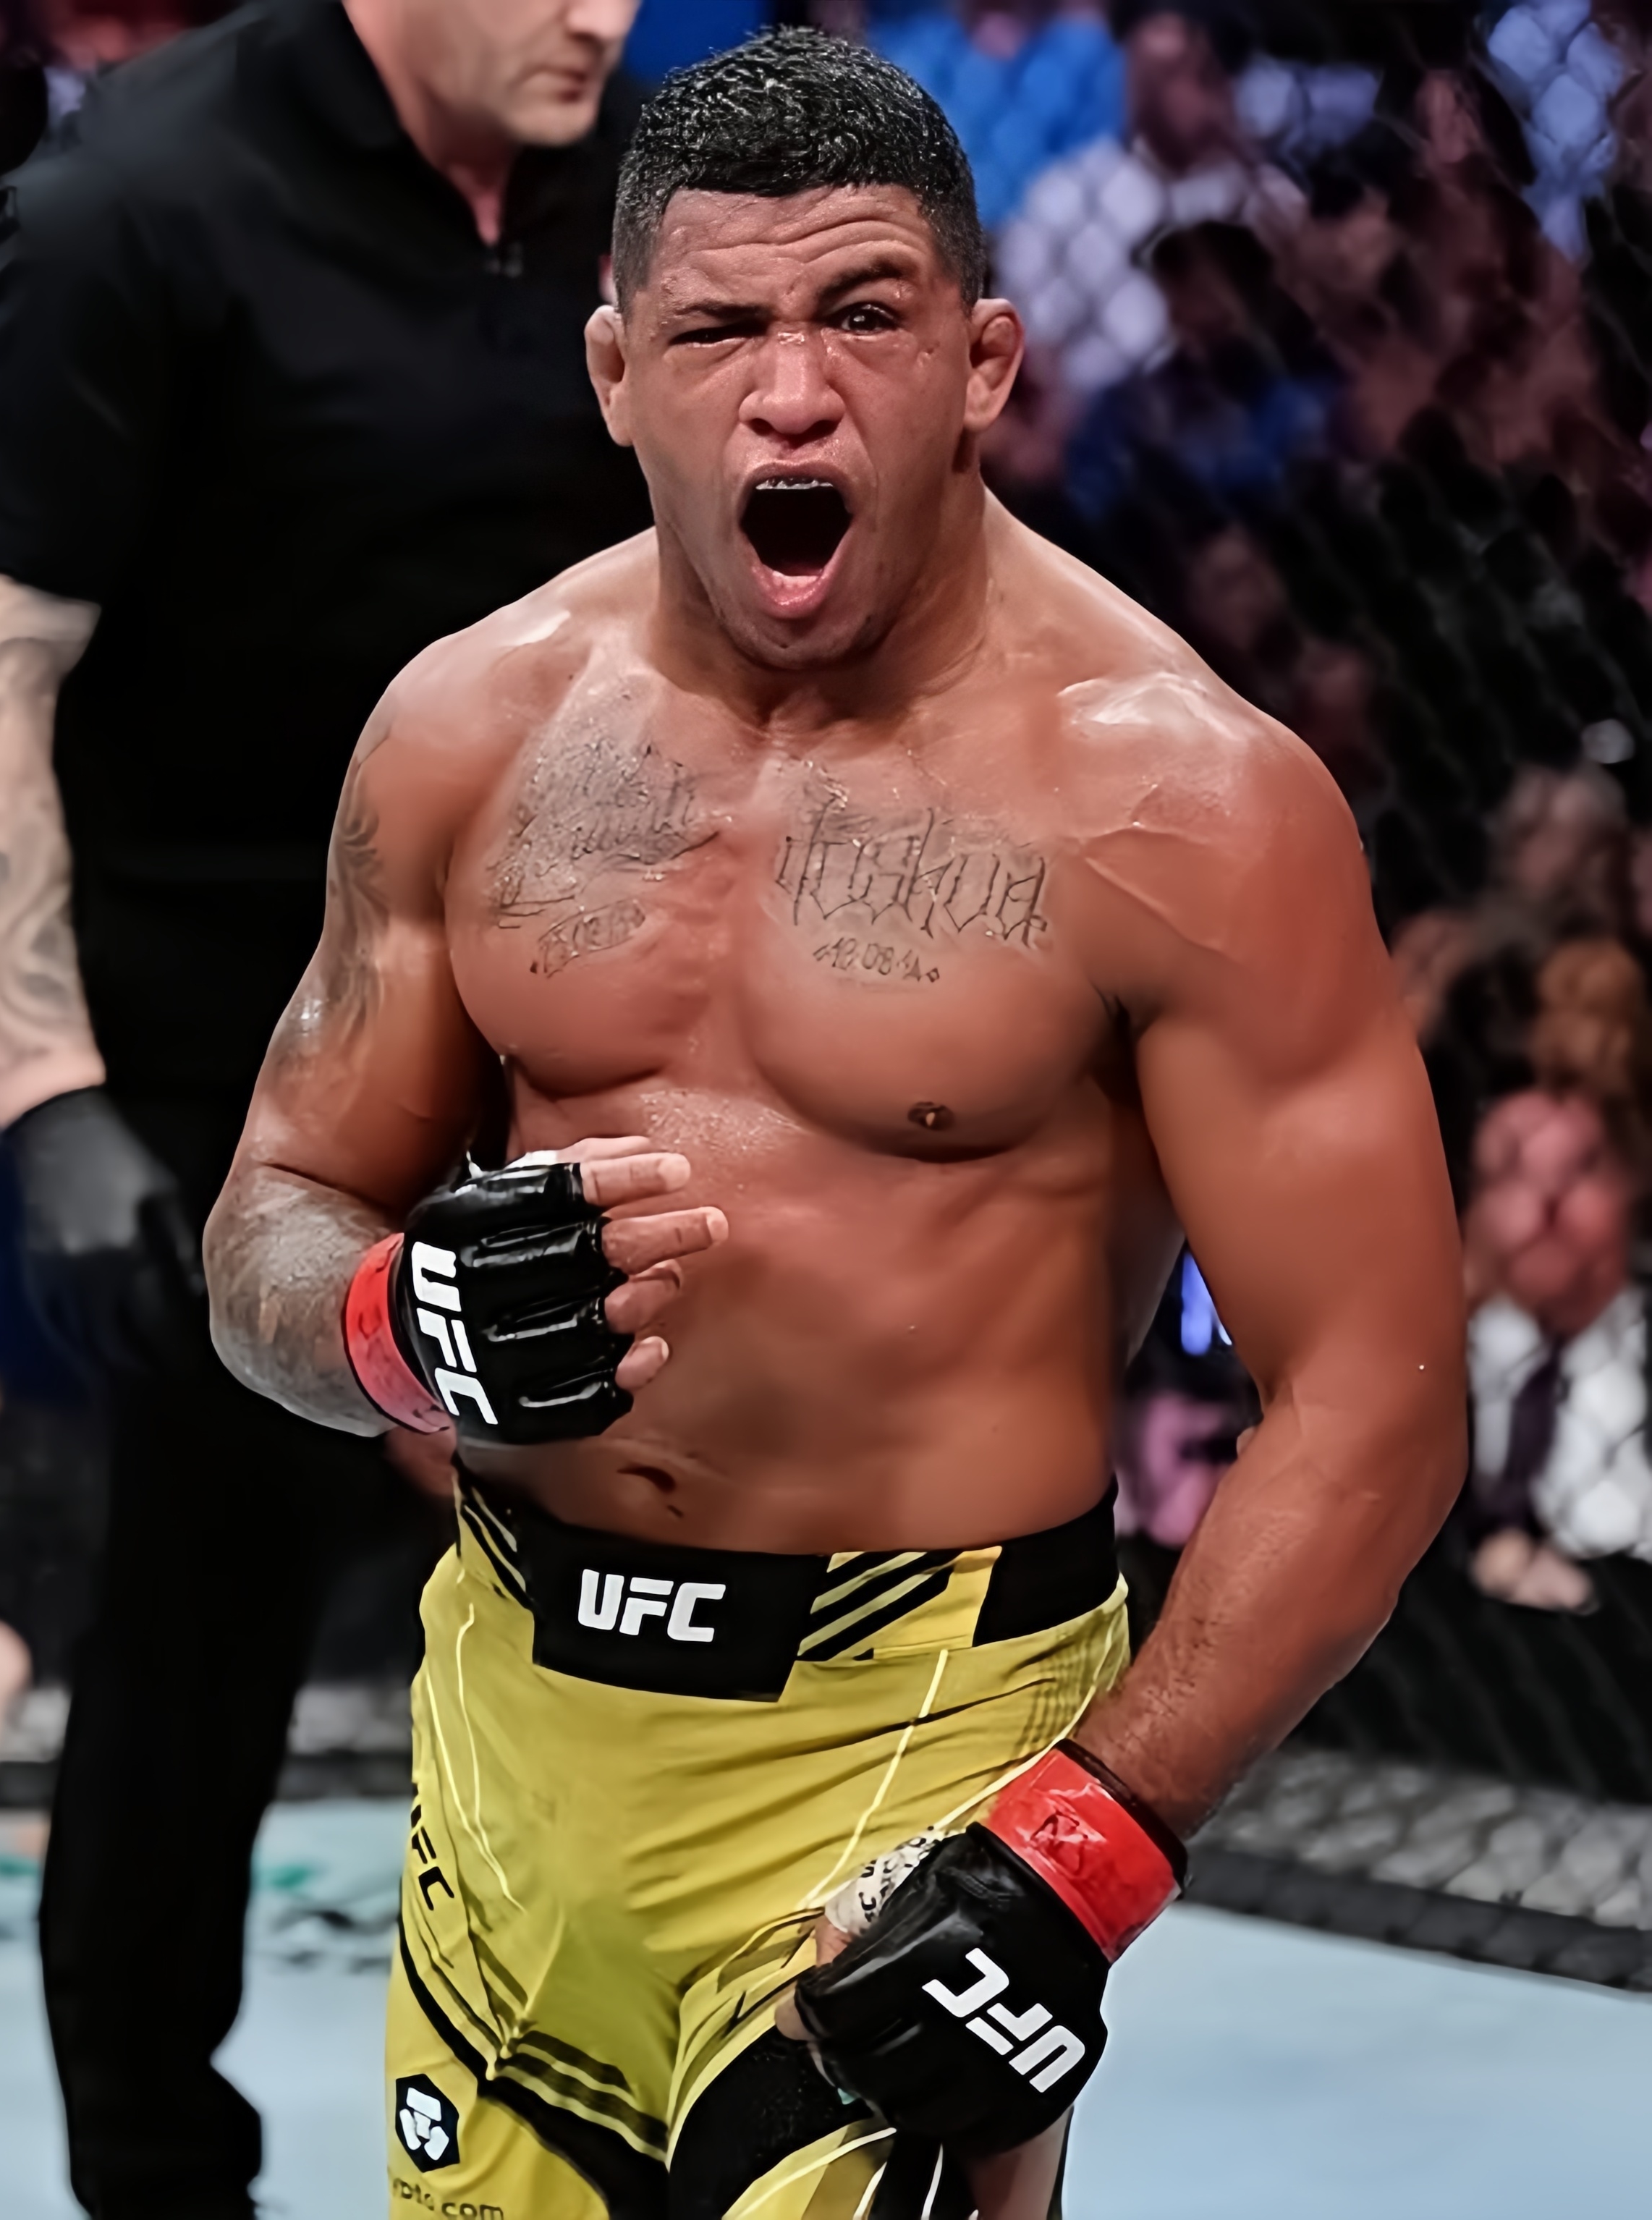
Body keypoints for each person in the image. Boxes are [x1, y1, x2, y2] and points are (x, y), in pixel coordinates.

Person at [207, 31, 1466, 2220]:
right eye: (720, 330)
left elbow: (1375, 1397)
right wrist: (400, 1324)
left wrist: (1089, 1841)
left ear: (982, 362)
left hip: (903, 1757)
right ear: (618, 373)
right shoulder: (467, 731)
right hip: (510, 1728)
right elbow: (272, 1222)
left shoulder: (1179, 797)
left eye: (862, 315)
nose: (791, 396)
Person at [0, 0, 648, 2212]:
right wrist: (48, 1089)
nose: (601, 11)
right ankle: (158, 2173)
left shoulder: (653, 183)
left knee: (648, 1583)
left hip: (575, 1017)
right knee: (198, 1640)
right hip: (223, 1051)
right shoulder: (136, 205)